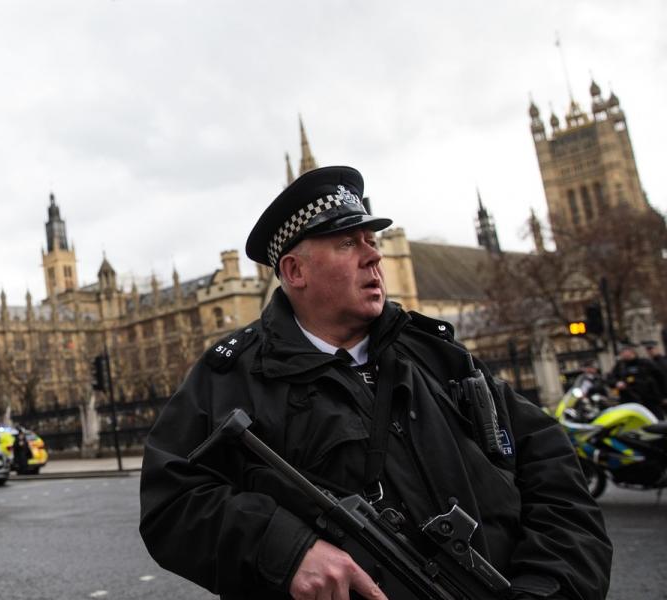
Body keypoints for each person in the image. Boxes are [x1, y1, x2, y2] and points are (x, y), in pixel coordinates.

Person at [139, 166, 611, 600]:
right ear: (294, 271)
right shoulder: (230, 377)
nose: (374, 255)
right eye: (348, 243)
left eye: (371, 239)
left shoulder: (438, 356)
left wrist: (549, 587)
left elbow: (552, 472)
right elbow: (172, 505)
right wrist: (287, 549)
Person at [610, 343, 666, 419]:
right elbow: (610, 379)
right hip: (630, 400)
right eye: (623, 352)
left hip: (650, 400)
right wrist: (617, 383)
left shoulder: (645, 363)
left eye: (628, 351)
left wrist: (663, 396)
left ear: (633, 352)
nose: (626, 354)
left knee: (656, 421)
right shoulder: (620, 366)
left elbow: (660, 378)